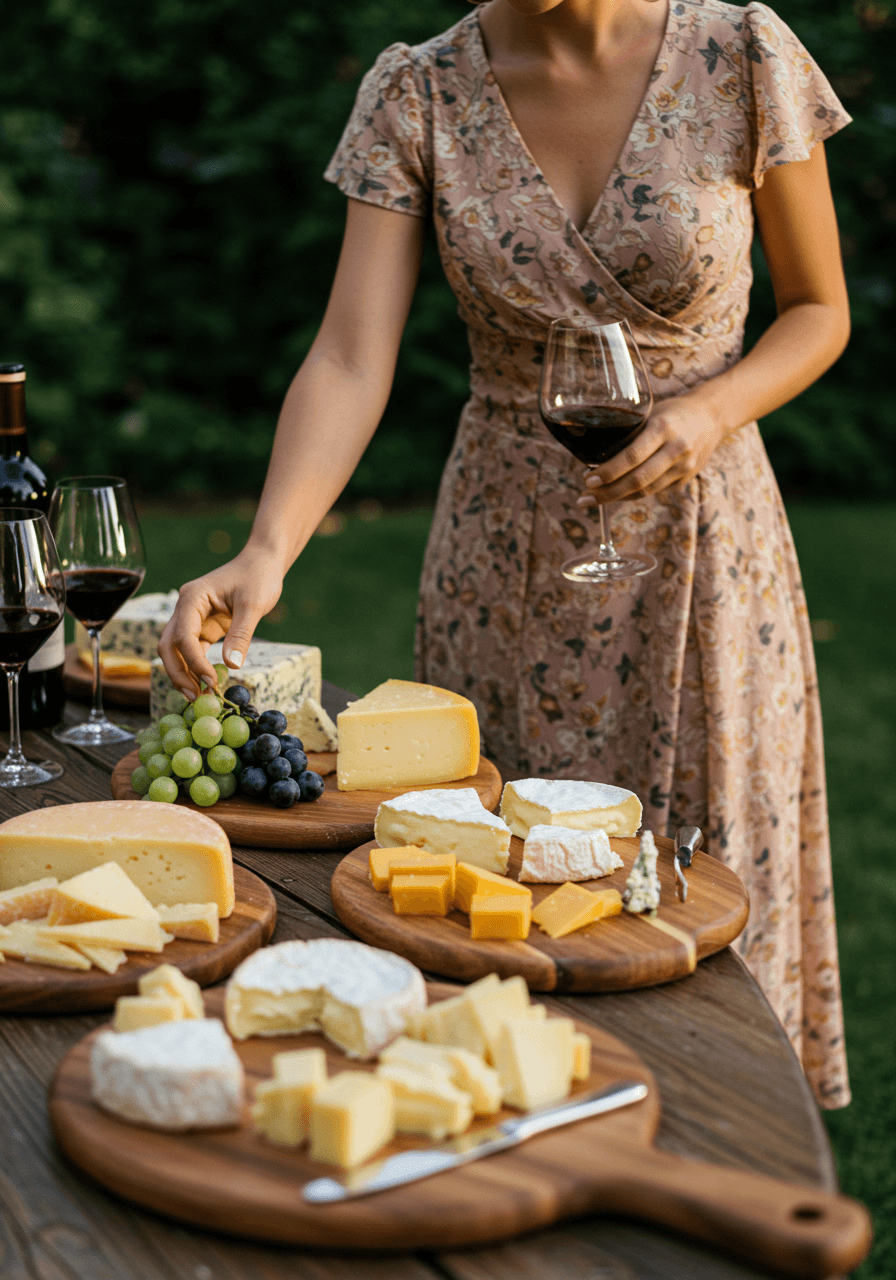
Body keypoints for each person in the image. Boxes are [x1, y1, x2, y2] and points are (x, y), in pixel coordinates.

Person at [158, 0, 852, 1106]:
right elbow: (348, 352)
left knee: (696, 867)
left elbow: (818, 309)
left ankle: (733, 1134)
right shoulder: (417, 90)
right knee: (490, 882)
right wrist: (268, 545)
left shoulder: (741, 56)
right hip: (501, 555)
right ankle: (516, 1131)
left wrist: (712, 411)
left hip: (700, 541)